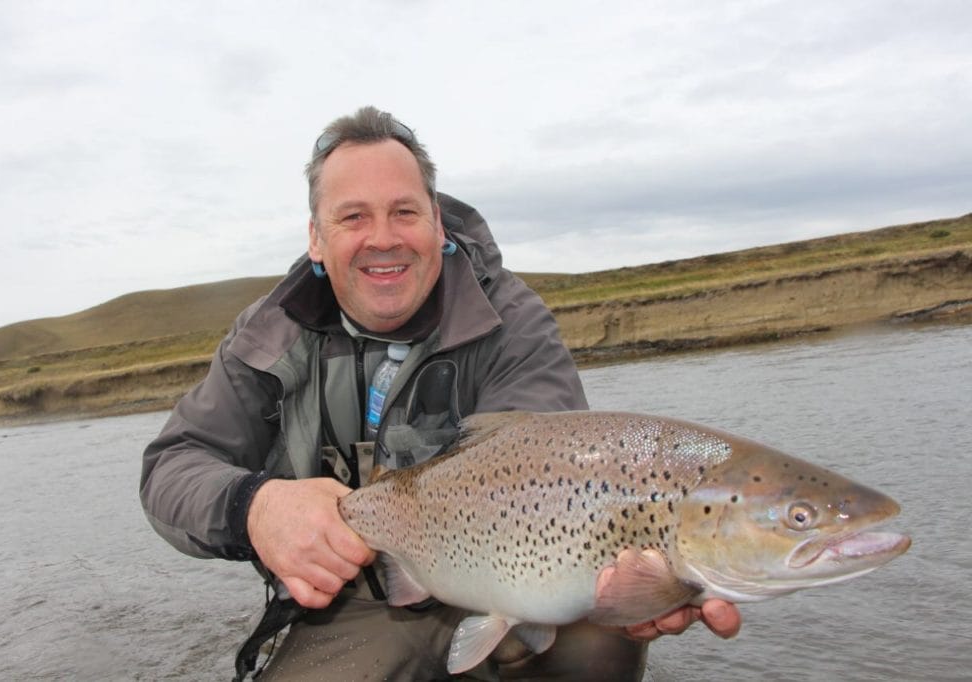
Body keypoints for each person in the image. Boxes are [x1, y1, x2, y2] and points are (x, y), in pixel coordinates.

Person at [140, 106, 741, 681]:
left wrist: (648, 582)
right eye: (353, 217)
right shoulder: (267, 337)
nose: (383, 238)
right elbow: (171, 469)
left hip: (506, 573)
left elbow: (552, 475)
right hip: (351, 605)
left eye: (404, 211)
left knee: (596, 641)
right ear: (316, 239)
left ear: (436, 220)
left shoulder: (510, 321)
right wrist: (255, 508)